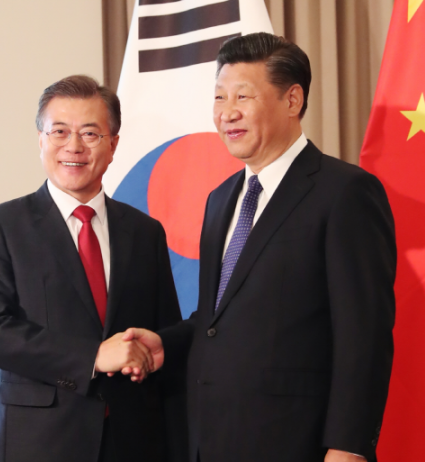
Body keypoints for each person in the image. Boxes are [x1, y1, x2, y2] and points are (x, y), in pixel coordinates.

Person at [123, 33, 396, 462]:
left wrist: (348, 447)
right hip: (211, 441)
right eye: (219, 97)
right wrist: (165, 344)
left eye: (243, 96)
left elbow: (364, 336)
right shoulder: (219, 199)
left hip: (297, 443)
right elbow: (218, 319)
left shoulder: (345, 193)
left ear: (292, 100)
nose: (226, 112)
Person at [0, 75, 187, 462]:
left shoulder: (145, 232)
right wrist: (94, 356)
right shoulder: (1, 226)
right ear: (40, 140)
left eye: (90, 133)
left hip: (134, 440)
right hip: (39, 442)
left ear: (113, 144)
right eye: (59, 132)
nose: (74, 146)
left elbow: (163, 334)